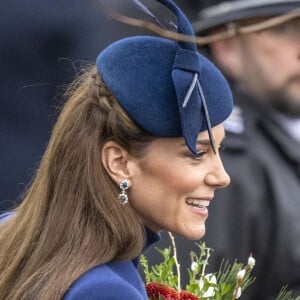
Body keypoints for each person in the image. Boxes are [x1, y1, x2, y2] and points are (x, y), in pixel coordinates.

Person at [0, 0, 233, 299]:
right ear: (119, 163)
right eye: (196, 153)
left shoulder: (13, 233)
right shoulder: (104, 289)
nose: (221, 177)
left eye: (220, 149)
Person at [144, 1, 300, 299]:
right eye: (283, 29)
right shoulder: (224, 159)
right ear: (227, 46)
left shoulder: (272, 139)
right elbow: (190, 286)